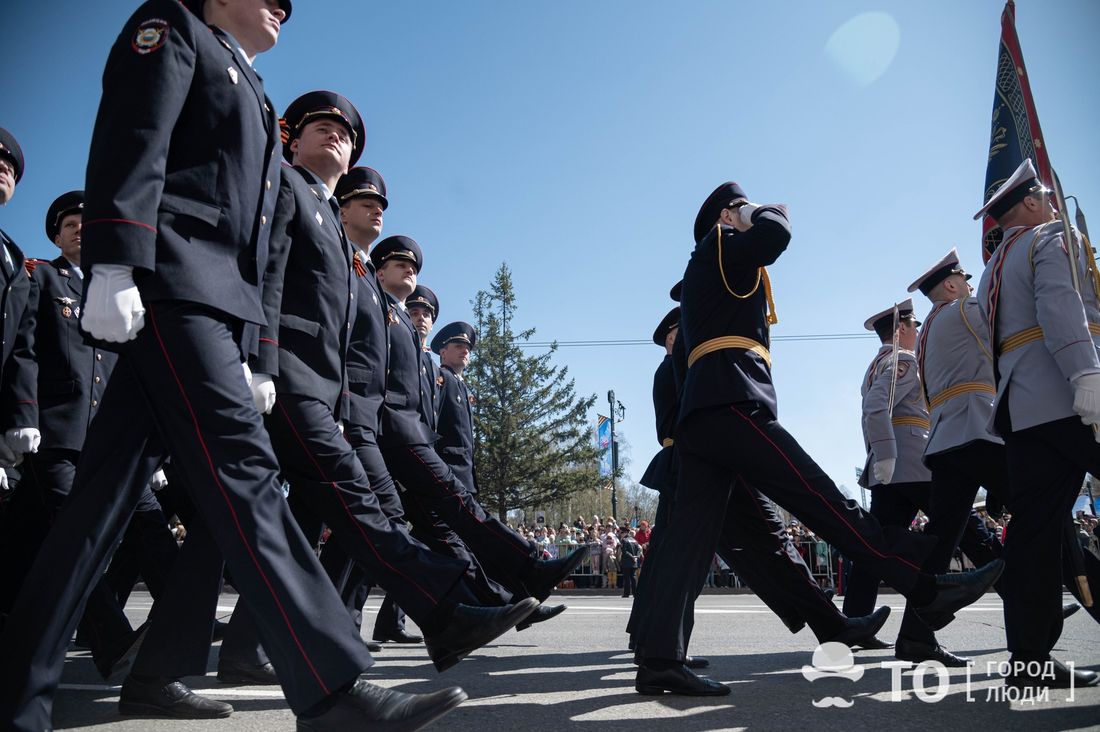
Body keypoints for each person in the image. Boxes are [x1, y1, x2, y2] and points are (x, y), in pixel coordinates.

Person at [0, 3, 473, 729]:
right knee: (248, 477)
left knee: (91, 515)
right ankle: (331, 689)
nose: (281, 6)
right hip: (174, 289)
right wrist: (114, 260)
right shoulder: (174, 29)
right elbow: (134, 130)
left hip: (215, 308)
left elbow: (255, 241)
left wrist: (254, 349)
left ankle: (14, 690)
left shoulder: (255, 90)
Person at [632, 182, 1003, 697]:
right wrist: (755, 211)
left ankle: (658, 660)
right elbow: (775, 236)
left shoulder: (710, 270)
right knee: (821, 500)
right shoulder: (719, 248)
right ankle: (922, 583)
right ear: (726, 214)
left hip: (709, 415)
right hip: (731, 405)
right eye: (737, 207)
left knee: (690, 546)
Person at [251, 90, 537, 674]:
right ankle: (450, 607)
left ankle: (238, 648)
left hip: (327, 398)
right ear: (292, 137)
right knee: (359, 511)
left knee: (298, 516)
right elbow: (269, 278)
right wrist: (260, 359)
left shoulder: (334, 229)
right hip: (294, 384)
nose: (338, 137)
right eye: (324, 127)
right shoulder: (284, 189)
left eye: (346, 133)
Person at [976, 159, 1100, 689]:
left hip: (1020, 409)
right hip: (1067, 392)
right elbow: (1059, 302)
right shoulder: (1050, 236)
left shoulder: (990, 270)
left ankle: (1029, 659)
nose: (1050, 200)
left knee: (1035, 536)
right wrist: (1086, 371)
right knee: (1037, 535)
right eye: (1044, 194)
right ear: (1029, 202)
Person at [0, 126, 34, 516]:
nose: (5, 167)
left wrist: (18, 418)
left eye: (11, 165)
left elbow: (22, 349)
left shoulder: (14, 258)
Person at [619, 528, 642, 597]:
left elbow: (625, 551)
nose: (621, 534)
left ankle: (627, 593)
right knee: (633, 577)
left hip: (627, 561)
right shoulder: (634, 540)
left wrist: (632, 557)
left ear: (625, 533)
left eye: (622, 533)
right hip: (634, 561)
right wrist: (636, 557)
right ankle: (635, 593)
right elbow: (639, 550)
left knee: (627, 578)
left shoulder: (624, 540)